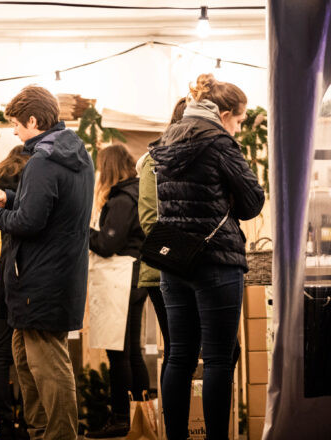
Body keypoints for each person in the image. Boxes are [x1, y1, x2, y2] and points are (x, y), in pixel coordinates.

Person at [0, 85, 95, 440]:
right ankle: (41, 432)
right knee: (26, 360)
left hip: (40, 279)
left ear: (33, 119)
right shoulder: (73, 154)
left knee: (47, 366)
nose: (14, 131)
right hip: (56, 275)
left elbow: (29, 223)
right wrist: (10, 197)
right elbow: (49, 208)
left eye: (16, 124)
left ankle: (57, 436)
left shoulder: (43, 160)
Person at [150, 73, 265, 440]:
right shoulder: (219, 143)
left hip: (175, 260)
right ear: (225, 113)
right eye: (241, 120)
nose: (240, 128)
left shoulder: (168, 139)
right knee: (217, 359)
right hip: (216, 260)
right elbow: (252, 201)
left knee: (179, 356)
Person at [86, 144, 150, 439]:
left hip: (121, 279)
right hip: (134, 277)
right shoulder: (136, 194)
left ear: (108, 168)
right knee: (132, 352)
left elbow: (107, 245)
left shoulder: (123, 200)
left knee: (119, 354)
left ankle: (122, 419)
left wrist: (82, 231)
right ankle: (143, 418)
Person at [135, 97, 187, 389]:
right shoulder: (153, 162)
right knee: (178, 351)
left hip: (186, 271)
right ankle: (175, 426)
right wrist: (189, 254)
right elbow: (149, 220)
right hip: (164, 271)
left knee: (190, 351)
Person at [0, 145, 30, 440]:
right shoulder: (31, 182)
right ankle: (29, 421)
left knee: (0, 352)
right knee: (29, 352)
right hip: (24, 270)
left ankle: (3, 422)